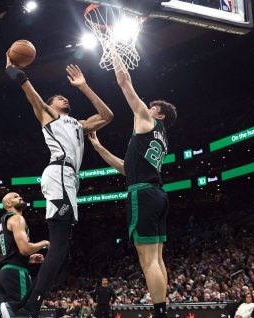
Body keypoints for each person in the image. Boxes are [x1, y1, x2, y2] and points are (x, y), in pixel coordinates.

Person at [5, 56, 114, 318]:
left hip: (69, 179)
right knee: (59, 246)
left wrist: (84, 87)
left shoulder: (79, 123)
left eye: (66, 98)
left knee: (61, 249)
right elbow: (29, 90)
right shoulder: (48, 114)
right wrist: (12, 69)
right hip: (59, 173)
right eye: (59, 98)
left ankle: (26, 306)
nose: (64, 99)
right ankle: (29, 308)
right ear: (52, 105)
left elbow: (108, 115)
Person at [87, 52, 177, 318]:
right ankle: (162, 309)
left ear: (158, 113)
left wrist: (113, 48)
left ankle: (159, 313)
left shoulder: (148, 120)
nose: (146, 107)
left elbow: (124, 81)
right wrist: (99, 147)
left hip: (143, 195)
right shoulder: (161, 138)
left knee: (147, 259)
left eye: (151, 106)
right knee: (157, 258)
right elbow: (126, 168)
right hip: (157, 194)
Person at [0, 192, 49, 317]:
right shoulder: (17, 218)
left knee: (18, 312)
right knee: (25, 311)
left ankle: (9, 309)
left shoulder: (3, 221)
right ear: (8, 203)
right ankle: (10, 309)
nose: (20, 197)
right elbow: (25, 249)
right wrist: (44, 243)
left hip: (4, 273)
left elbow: (1, 255)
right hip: (17, 272)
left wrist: (28, 259)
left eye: (20, 195)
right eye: (15, 196)